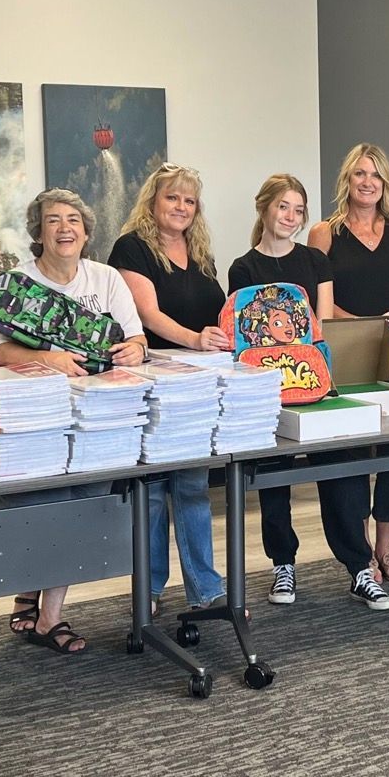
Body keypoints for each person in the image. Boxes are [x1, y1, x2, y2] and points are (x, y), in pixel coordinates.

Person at [0, 189, 148, 654]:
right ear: (38, 231)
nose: (64, 228)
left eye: (73, 220)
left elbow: (136, 337)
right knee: (42, 507)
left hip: (97, 418)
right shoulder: (16, 282)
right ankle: (28, 590)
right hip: (37, 418)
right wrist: (50, 357)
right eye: (53, 220)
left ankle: (49, 616)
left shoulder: (106, 278)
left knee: (81, 507)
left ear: (86, 230)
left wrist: (135, 348)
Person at [229, 174, 389, 610]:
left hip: (314, 382)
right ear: (264, 208)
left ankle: (359, 568)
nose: (291, 217)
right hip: (264, 390)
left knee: (343, 465)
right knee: (273, 477)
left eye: (298, 210)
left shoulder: (316, 261)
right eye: (283, 207)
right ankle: (282, 563)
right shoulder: (243, 268)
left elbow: (320, 328)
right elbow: (246, 337)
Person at [108, 163, 229, 616]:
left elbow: (216, 311)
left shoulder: (199, 250)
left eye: (189, 200)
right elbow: (146, 314)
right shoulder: (132, 247)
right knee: (155, 492)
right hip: (153, 378)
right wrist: (195, 338)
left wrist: (221, 337)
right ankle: (151, 589)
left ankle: (206, 590)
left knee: (195, 487)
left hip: (198, 383)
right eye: (172, 198)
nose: (181, 207)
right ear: (153, 202)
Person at [308, 143, 389, 584]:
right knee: (351, 457)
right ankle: (359, 558)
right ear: (347, 181)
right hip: (346, 352)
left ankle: (385, 549)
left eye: (375, 175)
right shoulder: (324, 233)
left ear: (385, 183)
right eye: (359, 174)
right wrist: (372, 324)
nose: (367, 182)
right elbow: (325, 306)